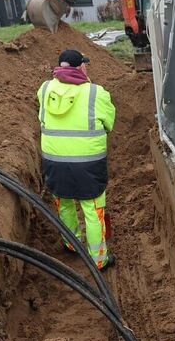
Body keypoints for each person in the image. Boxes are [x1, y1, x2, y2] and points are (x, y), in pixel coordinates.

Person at [38, 48, 116, 269]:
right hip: (88, 165)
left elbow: (42, 119)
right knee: (92, 210)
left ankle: (71, 244)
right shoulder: (96, 93)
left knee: (64, 204)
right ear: (81, 66)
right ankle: (99, 260)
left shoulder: (45, 89)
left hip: (55, 163)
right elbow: (109, 124)